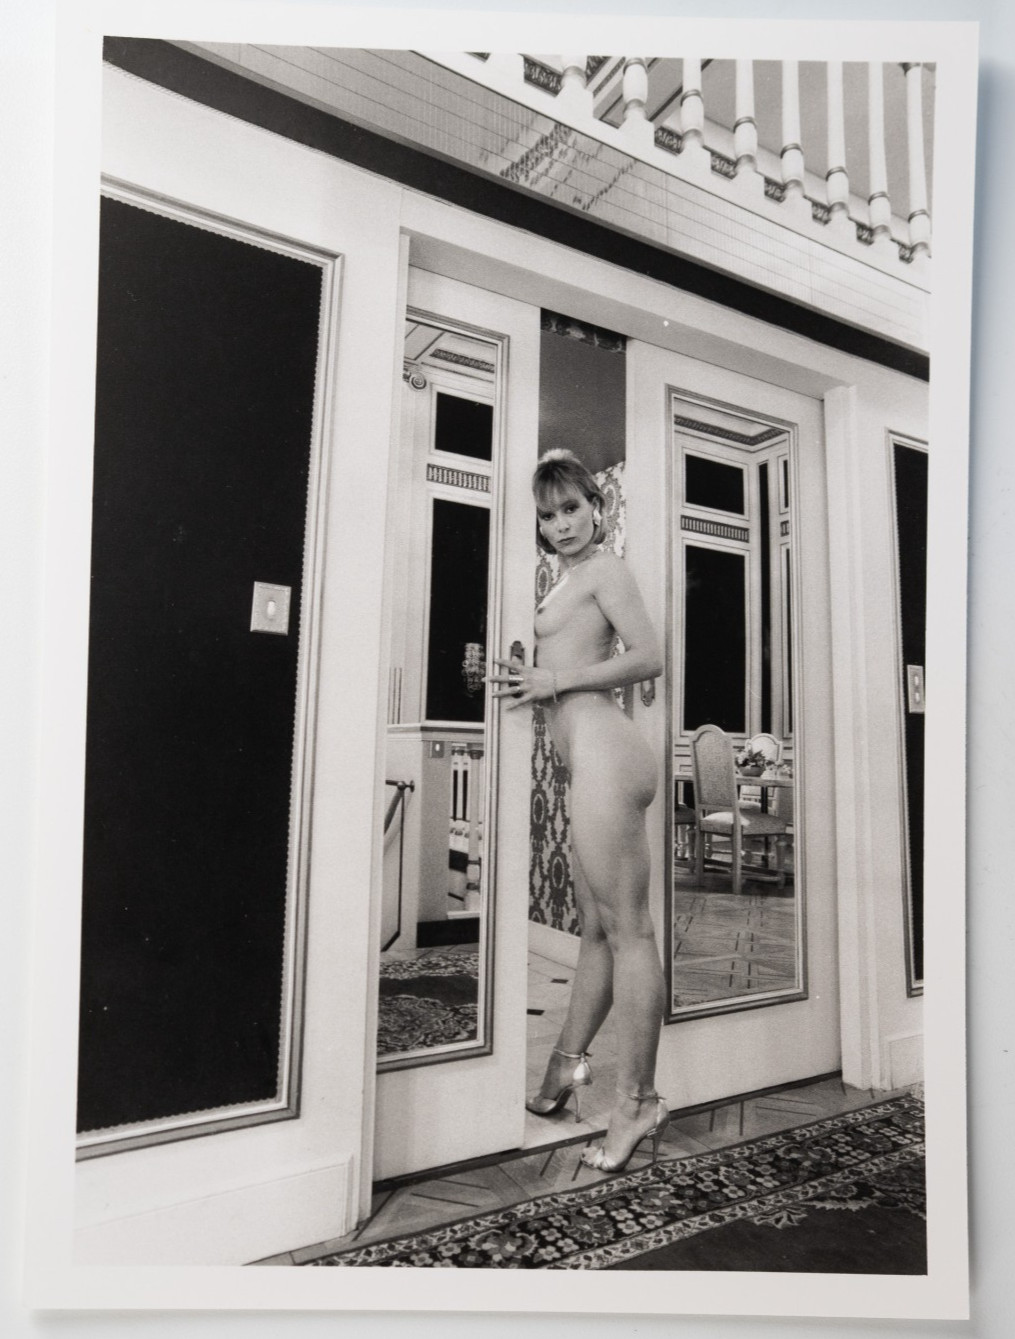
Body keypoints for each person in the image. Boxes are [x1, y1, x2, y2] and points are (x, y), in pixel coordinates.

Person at [489, 448, 668, 1173]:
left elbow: (649, 655)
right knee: (596, 929)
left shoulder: (605, 570)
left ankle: (637, 1102)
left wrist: (555, 679)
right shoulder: (567, 578)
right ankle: (565, 1069)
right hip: (588, 761)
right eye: (548, 514)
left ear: (597, 506)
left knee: (629, 931)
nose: (561, 523)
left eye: (571, 508)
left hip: (607, 756)